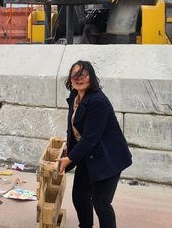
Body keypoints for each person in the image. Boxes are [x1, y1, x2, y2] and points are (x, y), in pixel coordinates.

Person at [57, 61, 132, 228]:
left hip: (108, 157)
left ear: (91, 78)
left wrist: (70, 159)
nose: (79, 79)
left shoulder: (98, 101)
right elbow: (74, 131)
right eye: (75, 75)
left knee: (101, 202)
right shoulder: (75, 97)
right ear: (70, 79)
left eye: (83, 75)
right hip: (89, 154)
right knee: (80, 197)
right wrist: (68, 152)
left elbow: (90, 138)